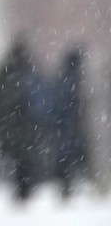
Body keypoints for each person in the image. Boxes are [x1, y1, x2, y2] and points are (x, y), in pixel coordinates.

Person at [0, 38, 49, 202]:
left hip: (11, 126)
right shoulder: (30, 70)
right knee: (27, 158)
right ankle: (26, 188)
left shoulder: (4, 72)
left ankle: (21, 189)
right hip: (27, 126)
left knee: (17, 158)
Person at [51, 45, 90, 199]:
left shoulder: (63, 77)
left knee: (65, 156)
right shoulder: (73, 78)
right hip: (70, 125)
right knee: (71, 154)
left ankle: (67, 186)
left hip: (64, 126)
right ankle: (71, 185)